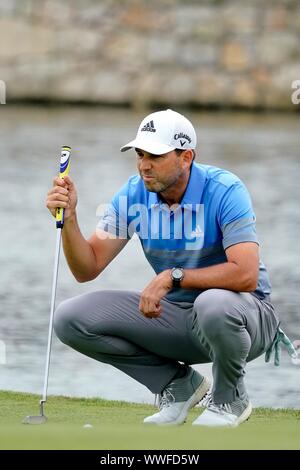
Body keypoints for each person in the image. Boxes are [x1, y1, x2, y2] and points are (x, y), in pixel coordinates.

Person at [47, 109, 279, 427]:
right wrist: (70, 218)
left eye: (155, 155)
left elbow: (246, 274)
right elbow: (87, 267)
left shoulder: (226, 189)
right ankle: (178, 385)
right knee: (70, 318)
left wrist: (173, 276)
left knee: (213, 303)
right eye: (140, 154)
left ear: (186, 157)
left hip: (246, 321)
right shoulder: (134, 194)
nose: (144, 164)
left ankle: (230, 399)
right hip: (178, 320)